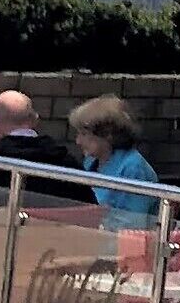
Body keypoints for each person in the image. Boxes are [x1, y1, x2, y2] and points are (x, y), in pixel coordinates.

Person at [67, 97, 162, 232]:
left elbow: (132, 225)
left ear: (108, 135)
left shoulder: (133, 169)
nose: (78, 141)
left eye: (84, 134)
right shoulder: (91, 162)